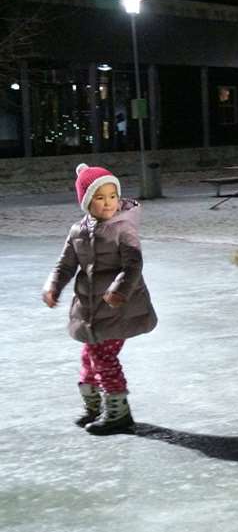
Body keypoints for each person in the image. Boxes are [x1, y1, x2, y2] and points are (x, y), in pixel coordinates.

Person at [42, 163, 158, 435]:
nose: (108, 203)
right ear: (85, 201)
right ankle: (95, 405)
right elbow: (65, 265)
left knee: (103, 355)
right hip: (90, 307)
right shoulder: (78, 231)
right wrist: (53, 286)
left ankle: (119, 410)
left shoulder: (122, 228)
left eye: (112, 196)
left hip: (119, 306)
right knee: (89, 353)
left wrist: (118, 289)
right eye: (99, 197)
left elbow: (133, 265)